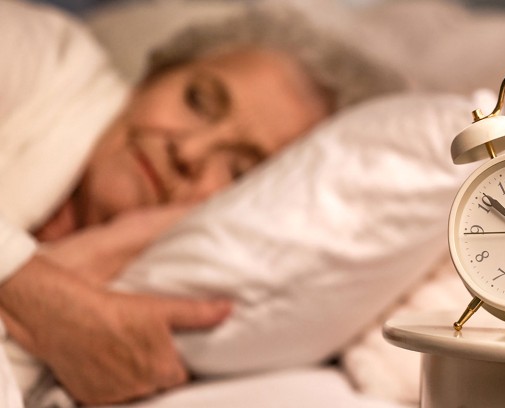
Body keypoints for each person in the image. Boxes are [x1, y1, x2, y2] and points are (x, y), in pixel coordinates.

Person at [0, 1, 406, 406]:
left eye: (238, 171)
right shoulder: (39, 55)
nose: (190, 151)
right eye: (198, 101)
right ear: (153, 75)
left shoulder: (153, 293)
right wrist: (41, 296)